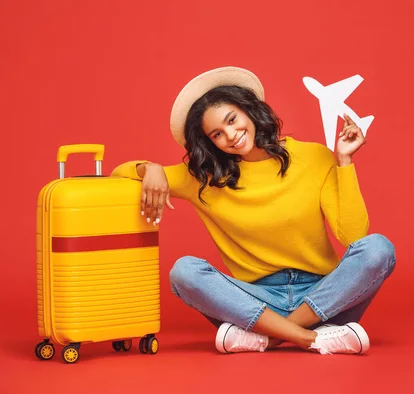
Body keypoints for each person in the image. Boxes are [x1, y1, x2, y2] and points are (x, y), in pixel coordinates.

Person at [111, 66, 396, 355]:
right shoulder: (205, 176)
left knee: (378, 248)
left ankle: (270, 338)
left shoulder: (314, 157)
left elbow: (354, 235)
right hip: (257, 300)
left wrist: (344, 161)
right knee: (184, 272)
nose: (231, 135)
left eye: (233, 120)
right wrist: (152, 168)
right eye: (217, 134)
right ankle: (311, 339)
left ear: (249, 110)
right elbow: (118, 174)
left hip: (323, 298)